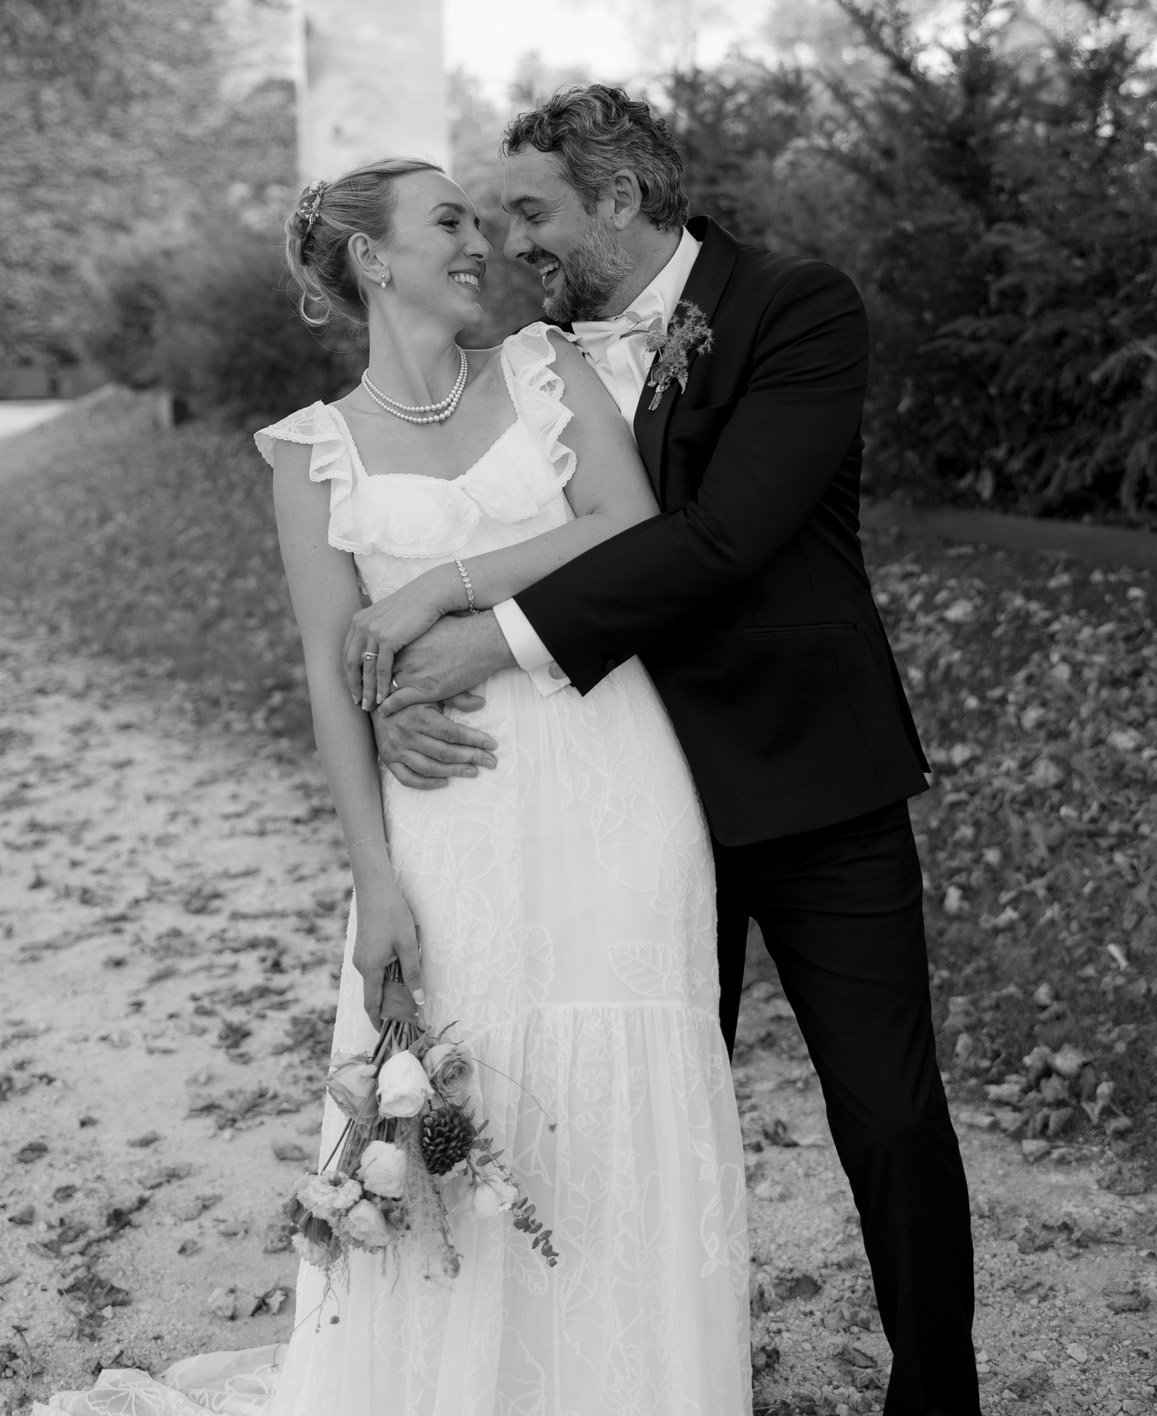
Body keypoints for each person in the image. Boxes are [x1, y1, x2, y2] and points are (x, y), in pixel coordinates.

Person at [35, 153, 750, 1416]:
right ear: (372, 259)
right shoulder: (314, 454)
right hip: (448, 817)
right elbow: (328, 669)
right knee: (459, 1098)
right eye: (447, 221)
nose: (478, 240)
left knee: (617, 1075)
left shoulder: (544, 370)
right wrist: (375, 876)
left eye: (477, 219)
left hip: (611, 778)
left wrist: (440, 587)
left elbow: (630, 524)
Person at [373, 88, 983, 1416]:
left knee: (885, 1115)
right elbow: (469, 522)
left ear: (623, 198)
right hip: (628, 805)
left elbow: (721, 539)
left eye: (532, 210)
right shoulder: (538, 361)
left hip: (810, 773)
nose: (508, 242)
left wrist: (497, 638)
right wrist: (421, 663)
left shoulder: (795, 307)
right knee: (636, 1118)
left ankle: (939, 1397)